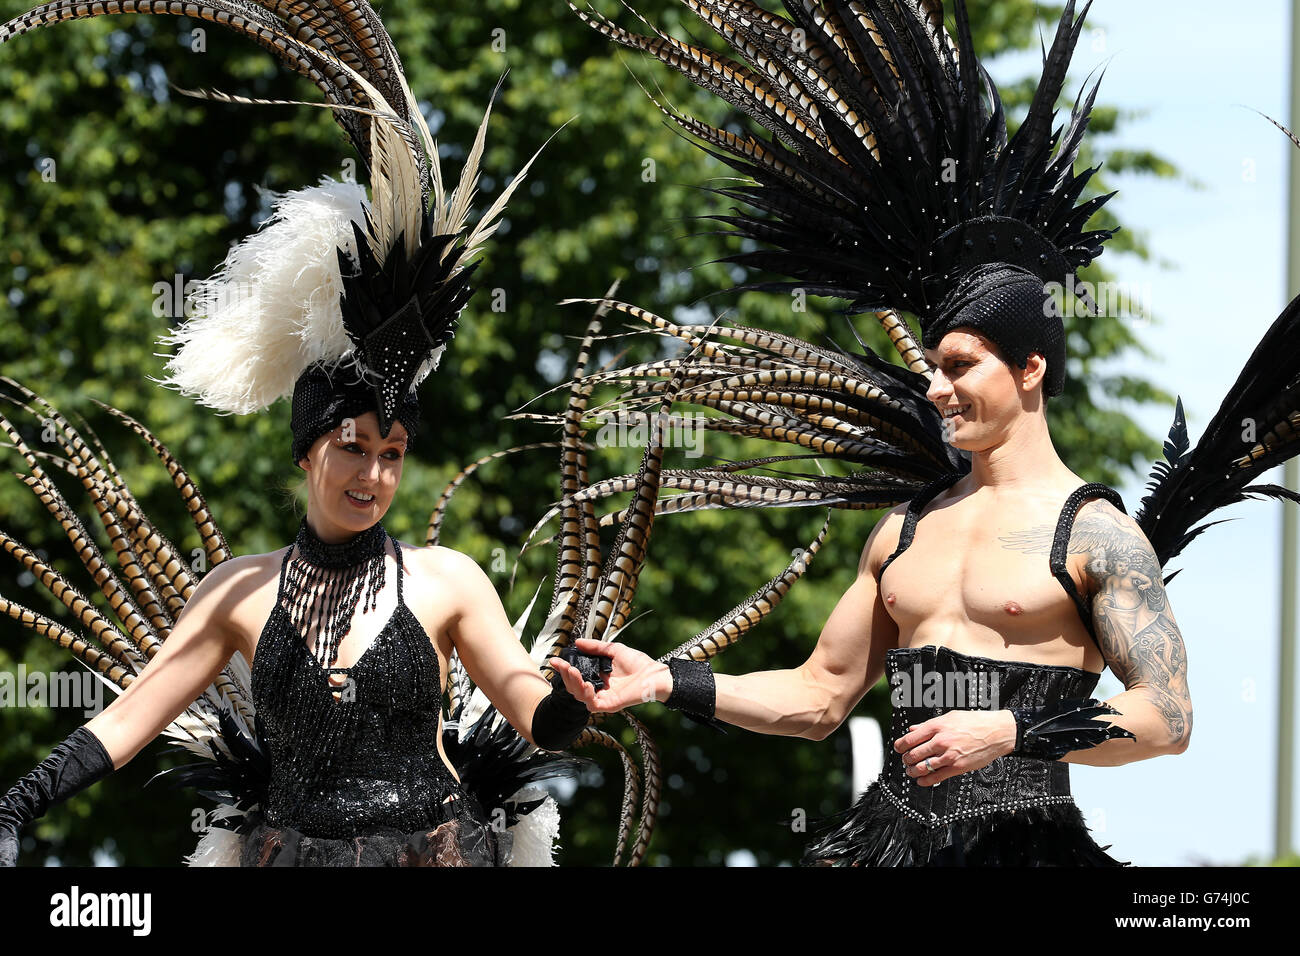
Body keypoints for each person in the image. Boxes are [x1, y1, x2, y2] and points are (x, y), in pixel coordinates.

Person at [0, 0, 595, 867]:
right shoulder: (236, 594)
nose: (374, 475)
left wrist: (570, 706)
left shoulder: (448, 582)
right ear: (308, 448)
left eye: (392, 455)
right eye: (353, 447)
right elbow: (132, 716)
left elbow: (519, 696)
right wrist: (18, 802)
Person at [554, 263, 1190, 866]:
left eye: (960, 367)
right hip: (883, 844)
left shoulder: (1096, 535)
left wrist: (1012, 730)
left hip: (1027, 846)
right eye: (935, 368)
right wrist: (667, 681)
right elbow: (820, 695)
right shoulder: (900, 532)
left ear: (1030, 368)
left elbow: (1167, 717)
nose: (936, 388)